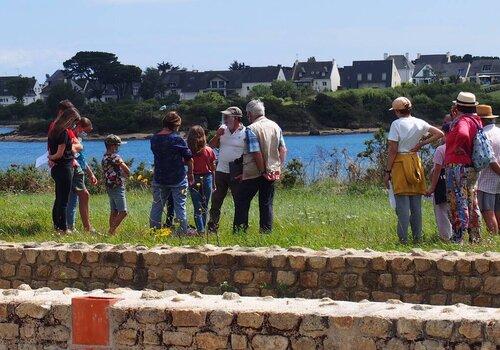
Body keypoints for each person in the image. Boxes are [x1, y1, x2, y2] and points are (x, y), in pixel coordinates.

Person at [385, 97, 444, 244]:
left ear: (397, 111)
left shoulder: (396, 124)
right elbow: (439, 134)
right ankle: (418, 238)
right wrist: (421, 144)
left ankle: (403, 239)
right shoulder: (420, 122)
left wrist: (387, 171)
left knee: (402, 205)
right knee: (416, 205)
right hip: (415, 161)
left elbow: (393, 149)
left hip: (400, 162)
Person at [233, 99, 287, 233]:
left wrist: (262, 170)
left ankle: (240, 231)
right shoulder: (275, 126)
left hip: (255, 171)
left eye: (247, 114)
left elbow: (256, 152)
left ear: (251, 114)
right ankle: (266, 232)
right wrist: (278, 167)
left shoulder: (252, 129)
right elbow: (283, 149)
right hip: (272, 171)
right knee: (266, 202)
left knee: (242, 201)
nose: (247, 117)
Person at [149, 111, 196, 235]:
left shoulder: (154, 139)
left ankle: (154, 231)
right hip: (177, 177)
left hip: (159, 177)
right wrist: (190, 174)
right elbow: (189, 158)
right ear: (176, 125)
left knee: (157, 205)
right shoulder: (177, 139)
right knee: (180, 206)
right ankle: (182, 232)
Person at [445, 92, 483, 243]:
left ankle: (458, 237)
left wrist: (458, 148)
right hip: (471, 166)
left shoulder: (463, 121)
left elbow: (462, 134)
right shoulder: (476, 120)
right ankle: (475, 237)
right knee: (471, 200)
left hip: (458, 166)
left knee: (456, 200)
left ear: (458, 106)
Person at [207, 107, 246, 233]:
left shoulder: (245, 132)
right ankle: (212, 228)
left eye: (228, 116)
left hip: (236, 172)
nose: (225, 118)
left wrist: (245, 171)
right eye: (224, 116)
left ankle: (239, 229)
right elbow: (210, 146)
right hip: (221, 170)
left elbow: (249, 153)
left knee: (239, 201)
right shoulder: (222, 130)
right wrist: (217, 135)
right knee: (216, 200)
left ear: (236, 118)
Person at [47, 107, 81, 234]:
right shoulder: (64, 133)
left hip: (56, 168)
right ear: (69, 119)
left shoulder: (53, 131)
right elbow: (59, 154)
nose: (73, 125)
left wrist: (51, 157)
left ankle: (57, 226)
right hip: (64, 167)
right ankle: (63, 228)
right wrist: (51, 157)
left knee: (58, 198)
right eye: (73, 122)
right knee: (64, 201)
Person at [66, 117, 98, 232]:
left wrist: (91, 174)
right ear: (79, 127)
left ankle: (70, 226)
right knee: (84, 195)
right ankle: (87, 227)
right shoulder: (71, 138)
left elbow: (82, 159)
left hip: (78, 169)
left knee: (72, 200)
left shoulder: (78, 139)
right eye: (86, 131)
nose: (86, 134)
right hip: (74, 169)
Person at [426, 119, 453, 241]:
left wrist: (432, 187)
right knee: (454, 210)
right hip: (456, 182)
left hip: (442, 183)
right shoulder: (461, 147)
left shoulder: (441, 149)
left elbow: (437, 170)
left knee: (442, 212)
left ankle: (445, 237)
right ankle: (457, 235)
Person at [187, 125, 217, 234]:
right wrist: (214, 182)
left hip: (193, 178)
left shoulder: (188, 152)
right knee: (205, 206)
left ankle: (200, 230)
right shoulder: (208, 150)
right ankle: (203, 230)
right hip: (207, 178)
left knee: (197, 207)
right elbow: (212, 168)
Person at [476, 104, 500, 234]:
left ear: (481, 120)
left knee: (487, 211)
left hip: (487, 180)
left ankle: (493, 238)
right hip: (497, 179)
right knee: (498, 210)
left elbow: (490, 159)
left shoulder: (483, 135)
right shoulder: (499, 131)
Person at [102, 134, 130, 235]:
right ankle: (111, 231)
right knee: (123, 212)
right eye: (117, 146)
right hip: (118, 186)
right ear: (113, 146)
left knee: (114, 211)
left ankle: (112, 234)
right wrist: (126, 175)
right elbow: (127, 170)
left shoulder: (105, 156)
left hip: (109, 186)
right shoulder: (115, 157)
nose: (118, 148)